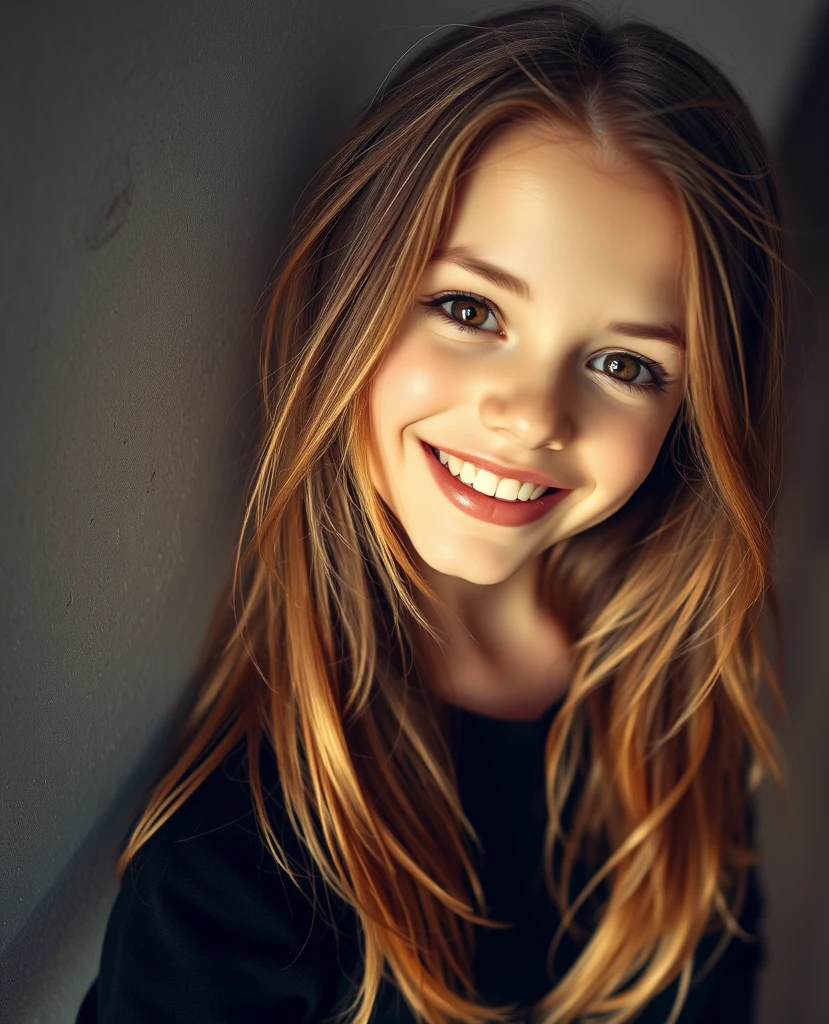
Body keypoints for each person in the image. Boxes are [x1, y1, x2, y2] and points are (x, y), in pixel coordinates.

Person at [76, 2, 788, 1022]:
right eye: (470, 309)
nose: (533, 415)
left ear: (694, 412)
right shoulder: (236, 862)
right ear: (357, 289)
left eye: (625, 364)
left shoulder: (673, 687)